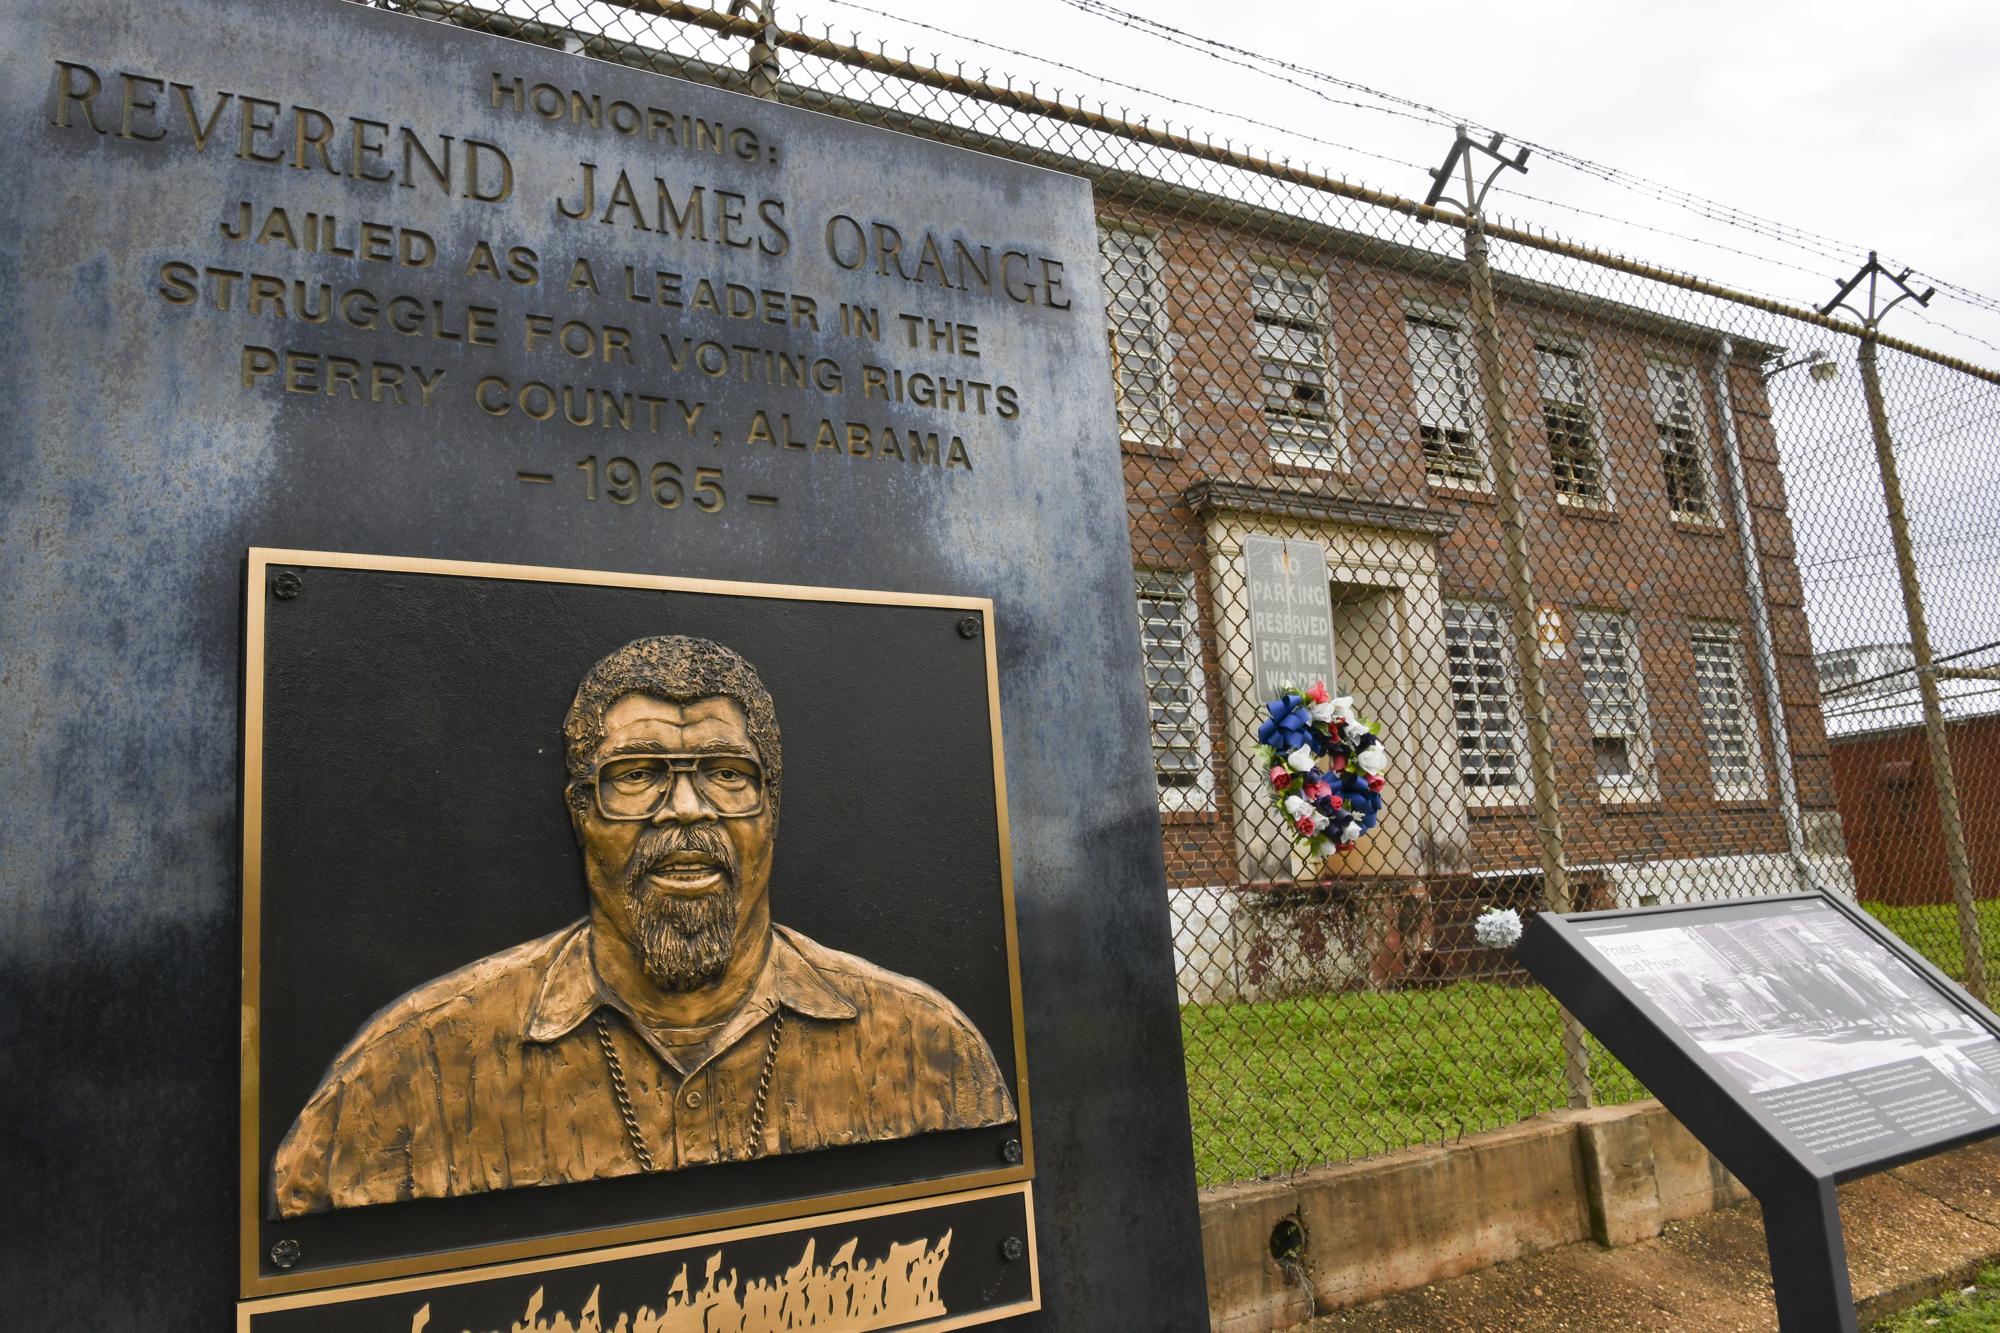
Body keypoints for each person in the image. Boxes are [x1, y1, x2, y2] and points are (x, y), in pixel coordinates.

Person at [270, 635, 1015, 1218]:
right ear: (580, 810)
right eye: (638, 775)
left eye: (727, 772)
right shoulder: (408, 1074)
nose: (687, 808)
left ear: (772, 808)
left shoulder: (931, 1053)